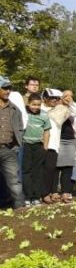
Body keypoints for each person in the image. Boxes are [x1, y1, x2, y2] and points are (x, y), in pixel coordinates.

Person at [0, 76, 26, 209]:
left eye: (9, 88)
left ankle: (20, 209)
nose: (8, 91)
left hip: (8, 149)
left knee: (14, 181)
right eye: (4, 88)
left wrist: (16, 145)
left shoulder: (15, 109)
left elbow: (20, 128)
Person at [22, 92, 50, 206]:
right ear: (28, 103)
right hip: (26, 144)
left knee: (37, 171)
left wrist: (45, 147)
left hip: (38, 145)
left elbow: (47, 131)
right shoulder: (24, 113)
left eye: (38, 105)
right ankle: (27, 196)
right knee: (27, 171)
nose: (36, 107)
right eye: (33, 104)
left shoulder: (44, 115)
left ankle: (36, 197)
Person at [55, 90, 76, 203]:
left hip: (70, 140)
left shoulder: (72, 108)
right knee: (55, 168)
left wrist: (70, 103)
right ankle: (54, 191)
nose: (68, 98)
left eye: (70, 96)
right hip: (56, 140)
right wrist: (61, 102)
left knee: (68, 168)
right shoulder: (56, 106)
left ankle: (66, 192)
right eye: (65, 96)